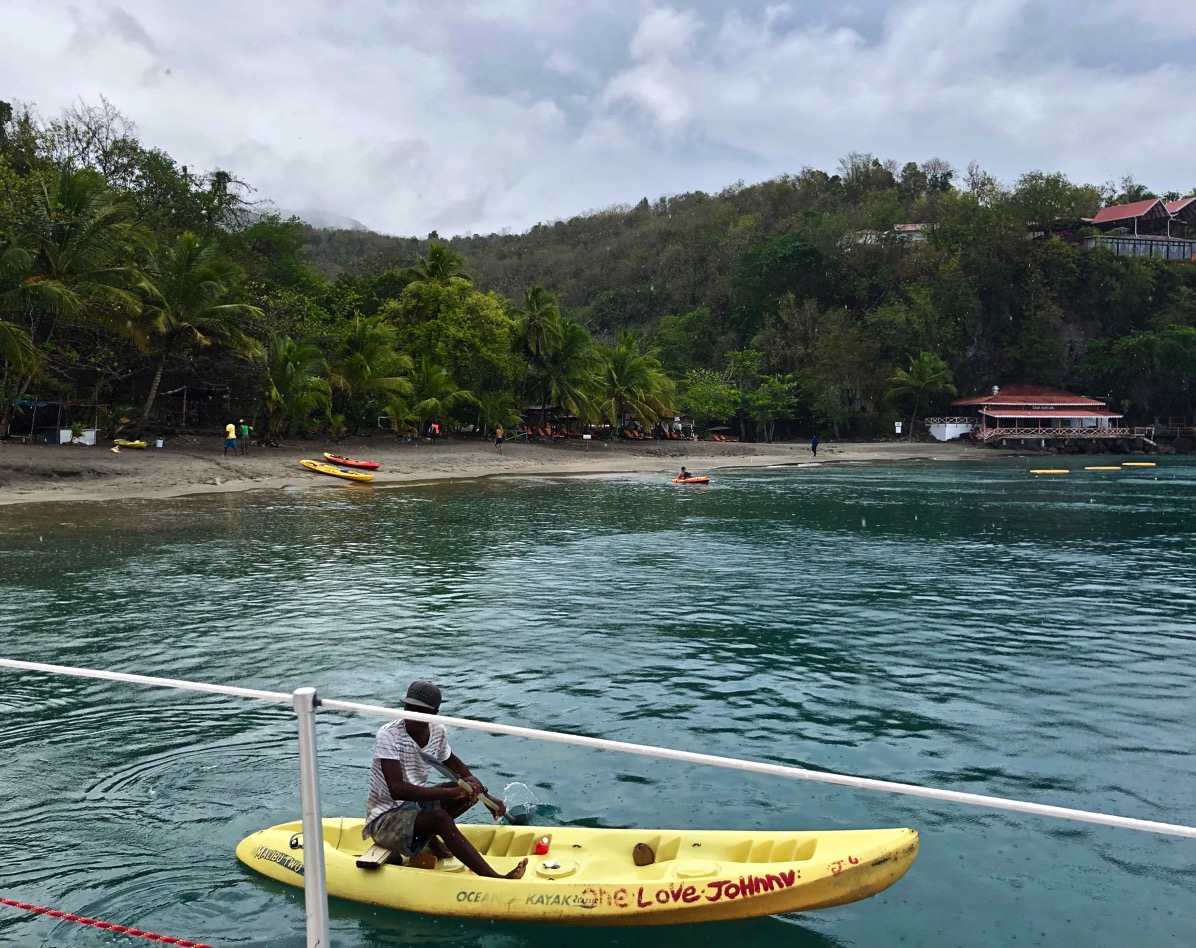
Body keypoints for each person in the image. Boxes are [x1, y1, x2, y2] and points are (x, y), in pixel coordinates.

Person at [364, 680, 527, 880]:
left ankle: (430, 841)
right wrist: (448, 793)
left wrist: (485, 796)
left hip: (413, 808)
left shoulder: (437, 731)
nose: (411, 715)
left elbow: (457, 767)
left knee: (467, 793)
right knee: (441, 818)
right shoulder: (388, 735)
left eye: (420, 710)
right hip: (385, 819)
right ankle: (495, 878)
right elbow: (397, 789)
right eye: (408, 708)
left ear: (434, 713)